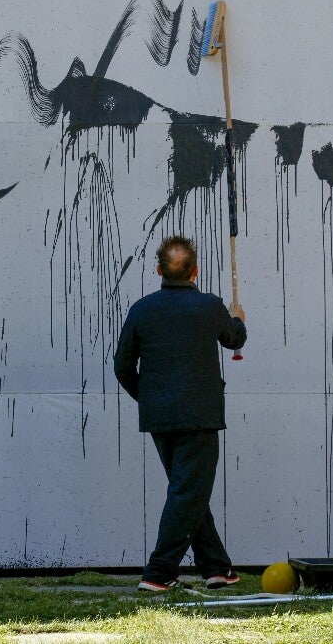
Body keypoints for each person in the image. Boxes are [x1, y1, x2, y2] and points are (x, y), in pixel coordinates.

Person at [114, 235, 247, 592]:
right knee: (188, 492)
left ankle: (217, 567)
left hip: (160, 417)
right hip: (199, 414)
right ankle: (159, 572)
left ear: (158, 270)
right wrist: (238, 318)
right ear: (196, 271)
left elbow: (122, 365)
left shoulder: (142, 309)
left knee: (188, 489)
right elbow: (234, 339)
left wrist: (149, 397)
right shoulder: (210, 305)